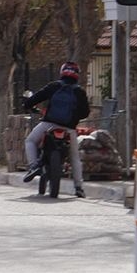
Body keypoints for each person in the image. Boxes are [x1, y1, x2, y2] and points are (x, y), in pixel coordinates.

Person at [21, 61, 89, 198]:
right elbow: (85, 113)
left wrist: (26, 104)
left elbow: (35, 98)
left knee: (30, 141)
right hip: (69, 129)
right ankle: (79, 187)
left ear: (62, 72)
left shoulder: (54, 86)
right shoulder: (80, 91)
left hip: (48, 124)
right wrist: (74, 116)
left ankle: (34, 166)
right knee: (75, 157)